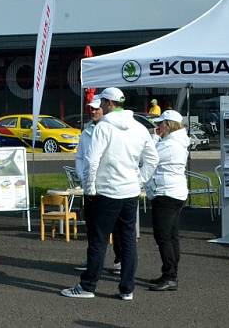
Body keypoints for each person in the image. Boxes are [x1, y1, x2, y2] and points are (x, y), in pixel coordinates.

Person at [61, 87, 159, 301]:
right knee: (128, 241)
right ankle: (127, 289)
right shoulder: (139, 127)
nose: (101, 107)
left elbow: (92, 160)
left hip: (105, 192)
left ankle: (88, 286)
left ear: (108, 104)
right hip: (130, 191)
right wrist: (140, 180)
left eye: (102, 103)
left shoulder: (103, 128)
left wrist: (89, 188)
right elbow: (152, 159)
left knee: (98, 240)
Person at [73, 98, 122, 275]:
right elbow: (80, 157)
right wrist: (82, 175)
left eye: (96, 109)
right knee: (92, 227)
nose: (93, 112)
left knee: (116, 226)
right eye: (91, 110)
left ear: (103, 109)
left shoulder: (111, 128)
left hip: (108, 185)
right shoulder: (86, 131)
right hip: (90, 187)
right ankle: (93, 260)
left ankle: (120, 260)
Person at [147, 110, 189, 292]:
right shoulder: (175, 142)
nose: (158, 127)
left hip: (166, 193)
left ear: (169, 125)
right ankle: (169, 273)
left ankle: (170, 275)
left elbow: (149, 157)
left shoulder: (170, 144)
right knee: (171, 236)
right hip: (174, 192)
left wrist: (154, 139)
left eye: (161, 124)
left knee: (163, 236)